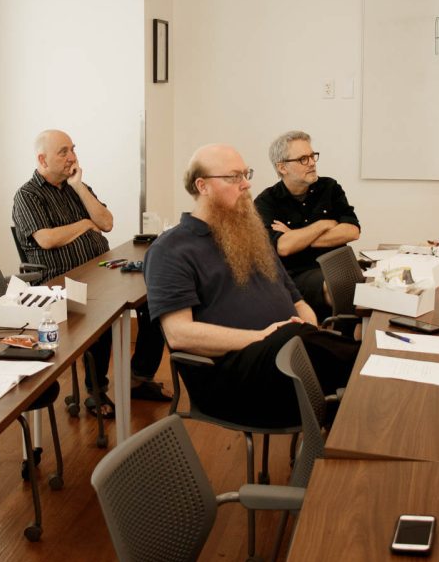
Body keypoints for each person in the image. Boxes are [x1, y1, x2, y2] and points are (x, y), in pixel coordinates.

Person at [144, 144, 360, 429]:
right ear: (203, 186)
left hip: (286, 357)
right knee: (335, 361)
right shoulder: (171, 249)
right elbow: (179, 334)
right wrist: (263, 336)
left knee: (351, 390)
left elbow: (295, 297)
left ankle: (372, 380)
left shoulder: (250, 234)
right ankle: (372, 369)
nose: (246, 184)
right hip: (231, 379)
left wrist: (307, 322)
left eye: (246, 174)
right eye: (234, 177)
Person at [12, 129, 169, 417]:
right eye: (63, 151)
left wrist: (80, 187)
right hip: (62, 281)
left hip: (100, 269)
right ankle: (96, 392)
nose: (72, 156)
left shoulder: (77, 187)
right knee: (105, 312)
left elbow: (107, 222)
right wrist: (85, 224)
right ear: (42, 159)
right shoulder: (27, 195)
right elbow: (46, 239)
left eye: (73, 149)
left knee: (157, 301)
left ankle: (138, 378)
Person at [254, 131, 360, 322]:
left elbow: (352, 231)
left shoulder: (329, 187)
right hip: (297, 275)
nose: (312, 162)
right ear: (282, 167)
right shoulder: (266, 202)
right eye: (303, 159)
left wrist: (298, 237)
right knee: (340, 286)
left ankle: (355, 337)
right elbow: (284, 247)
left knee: (371, 286)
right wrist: (323, 224)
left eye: (312, 156)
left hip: (337, 266)